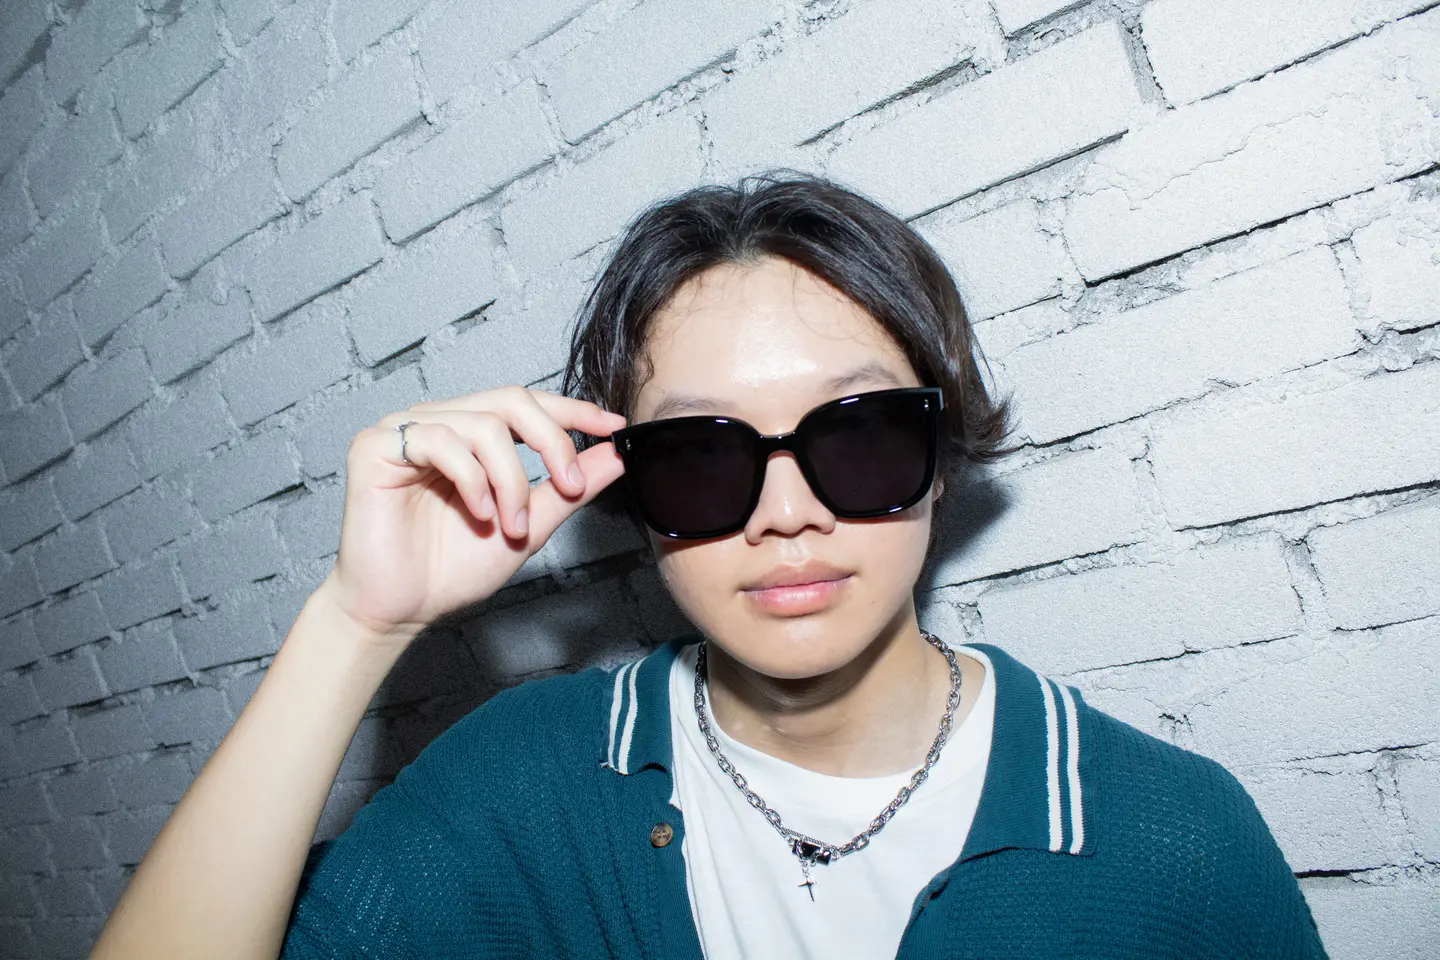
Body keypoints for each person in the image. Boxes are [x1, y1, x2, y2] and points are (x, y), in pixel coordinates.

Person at [90, 172, 1328, 959]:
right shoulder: (523, 786)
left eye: (858, 435)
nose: (785, 514)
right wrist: (355, 624)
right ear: (628, 496)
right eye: (700, 457)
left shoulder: (1170, 838)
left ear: (942, 459)